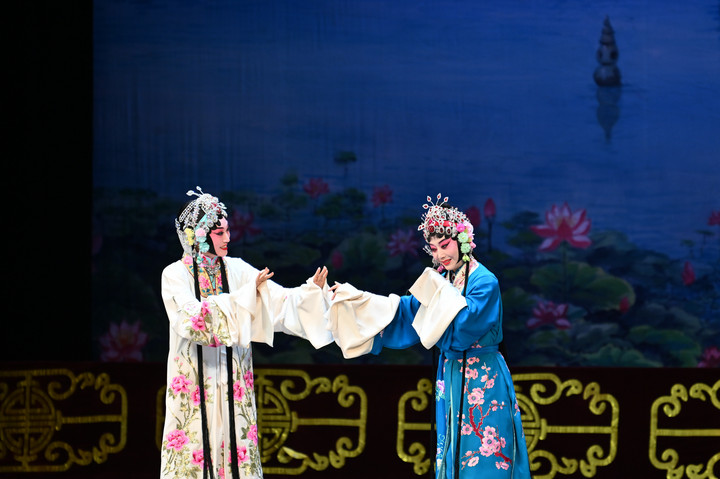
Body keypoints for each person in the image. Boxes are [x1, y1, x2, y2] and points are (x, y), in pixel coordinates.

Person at [327, 194, 531, 478]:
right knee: (451, 451)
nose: (439, 256)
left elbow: (462, 329)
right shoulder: (443, 279)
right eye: (434, 249)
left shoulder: (485, 282)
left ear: (462, 240)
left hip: (483, 375)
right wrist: (357, 298)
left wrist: (436, 294)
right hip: (450, 372)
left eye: (445, 245)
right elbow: (406, 311)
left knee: (485, 453)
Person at [160, 187, 332, 479]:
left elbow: (276, 302)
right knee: (193, 446)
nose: (228, 238)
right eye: (219, 233)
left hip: (233, 379)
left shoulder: (237, 270)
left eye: (228, 231)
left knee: (236, 443)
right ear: (197, 236)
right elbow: (193, 320)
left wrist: (310, 294)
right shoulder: (174, 275)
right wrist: (245, 297)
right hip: (194, 380)